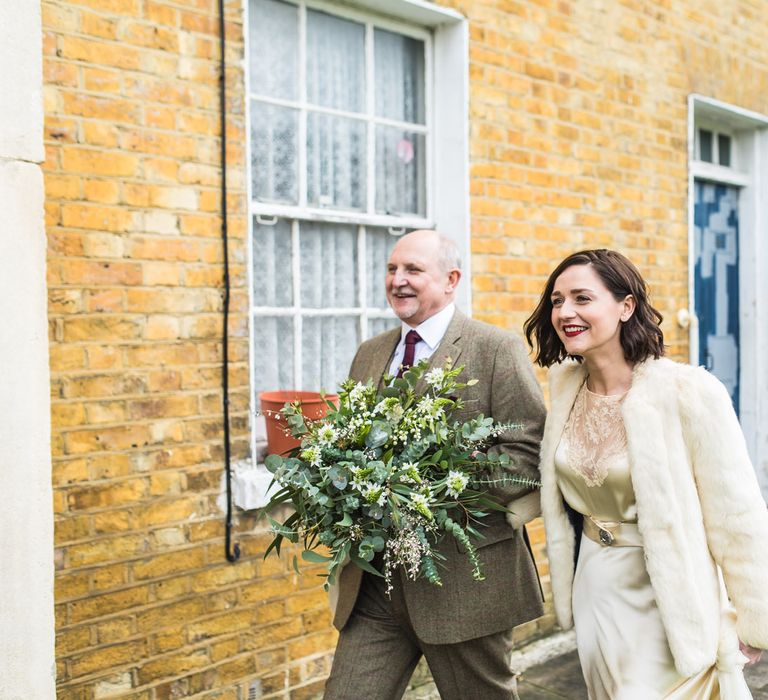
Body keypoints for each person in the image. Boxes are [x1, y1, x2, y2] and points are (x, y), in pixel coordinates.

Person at [524, 248, 768, 699]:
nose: (565, 312)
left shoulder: (688, 393)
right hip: (596, 589)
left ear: (625, 306)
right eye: (557, 301)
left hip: (668, 596)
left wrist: (755, 618)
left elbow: (736, 512)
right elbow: (553, 482)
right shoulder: (564, 388)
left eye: (582, 298)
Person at [324, 229, 547, 700]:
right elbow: (351, 444)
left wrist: (429, 486)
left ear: (451, 280)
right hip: (375, 583)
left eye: (412, 270)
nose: (398, 280)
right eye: (392, 269)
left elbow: (527, 453)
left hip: (464, 582)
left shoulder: (494, 350)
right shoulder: (370, 353)